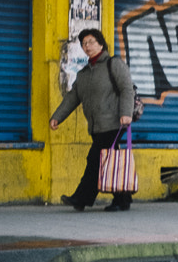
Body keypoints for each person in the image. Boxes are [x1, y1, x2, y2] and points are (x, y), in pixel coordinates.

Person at [50, 28, 135, 212]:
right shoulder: (84, 74)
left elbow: (127, 89)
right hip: (96, 126)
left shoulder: (114, 64)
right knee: (109, 160)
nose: (87, 46)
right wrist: (57, 117)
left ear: (101, 43)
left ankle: (81, 199)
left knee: (95, 160)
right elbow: (72, 98)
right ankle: (123, 199)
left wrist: (126, 113)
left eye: (90, 42)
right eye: (84, 43)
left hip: (114, 122)